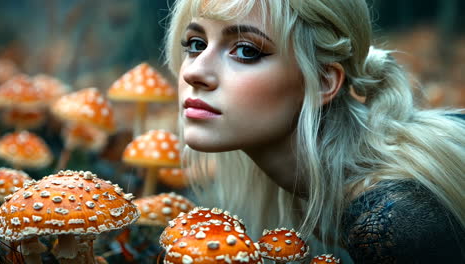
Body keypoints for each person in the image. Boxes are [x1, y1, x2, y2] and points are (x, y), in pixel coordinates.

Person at [164, 0, 465, 262]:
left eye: (245, 50)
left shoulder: (392, 219)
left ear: (322, 81)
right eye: (195, 44)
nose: (193, 72)